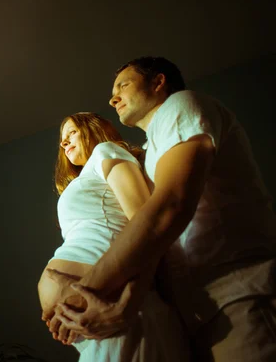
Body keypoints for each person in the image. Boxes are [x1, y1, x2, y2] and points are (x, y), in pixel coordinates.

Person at [45, 57, 276, 361]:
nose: (113, 97)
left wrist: (83, 295)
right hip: (196, 313)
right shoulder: (152, 153)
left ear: (158, 82)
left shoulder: (181, 105)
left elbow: (168, 208)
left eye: (123, 85)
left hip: (239, 296)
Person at [37, 112, 189, 361]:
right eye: (62, 139)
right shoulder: (85, 177)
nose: (64, 143)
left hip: (120, 309)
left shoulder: (105, 152)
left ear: (94, 129)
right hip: (94, 327)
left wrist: (127, 301)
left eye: (72, 132)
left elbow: (146, 225)